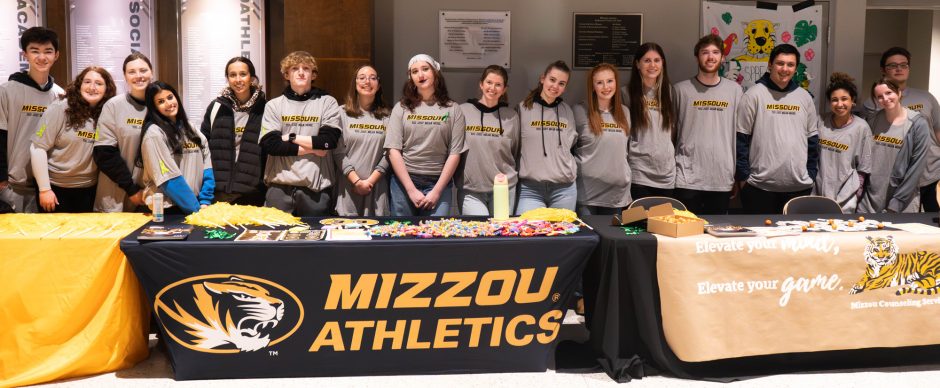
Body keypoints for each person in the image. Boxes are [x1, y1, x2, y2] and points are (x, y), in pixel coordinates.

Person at [734, 44, 820, 214]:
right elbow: (740, 139)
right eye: (780, 63)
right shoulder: (754, 94)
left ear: (796, 68)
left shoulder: (805, 97)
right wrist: (743, 178)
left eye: (790, 64)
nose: (785, 69)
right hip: (758, 187)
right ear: (770, 65)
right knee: (760, 239)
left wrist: (810, 175)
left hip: (799, 186)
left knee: (794, 240)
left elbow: (812, 140)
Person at [259, 51, 342, 216]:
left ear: (313, 75)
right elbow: (271, 145)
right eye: (295, 68)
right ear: (286, 75)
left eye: (306, 68)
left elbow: (328, 141)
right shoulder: (273, 105)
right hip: (279, 188)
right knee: (276, 239)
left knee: (315, 239)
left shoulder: (327, 102)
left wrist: (291, 137)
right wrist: (314, 148)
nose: (301, 72)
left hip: (316, 191)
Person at [384, 54, 465, 216]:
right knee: (403, 236)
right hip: (404, 183)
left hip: (439, 184)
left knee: (435, 237)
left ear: (435, 72)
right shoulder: (401, 108)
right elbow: (393, 150)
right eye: (415, 71)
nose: (420, 75)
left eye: (425, 69)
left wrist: (436, 192)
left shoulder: (453, 109)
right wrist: (411, 190)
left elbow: (455, 153)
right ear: (411, 78)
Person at [861, 47, 940, 212]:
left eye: (903, 65)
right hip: (891, 177)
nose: (899, 69)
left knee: (928, 225)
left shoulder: (926, 97)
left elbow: (938, 132)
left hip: (928, 174)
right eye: (893, 65)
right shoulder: (871, 105)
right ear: (883, 70)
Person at [673, 35, 743, 214]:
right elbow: (671, 132)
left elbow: (740, 134)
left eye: (715, 52)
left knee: (715, 237)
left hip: (721, 176)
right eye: (705, 52)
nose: (710, 57)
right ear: (697, 57)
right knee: (687, 234)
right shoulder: (680, 90)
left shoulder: (735, 90)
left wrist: (737, 175)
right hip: (687, 176)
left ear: (723, 58)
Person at [30, 66, 116, 212]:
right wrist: (44, 189)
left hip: (89, 190)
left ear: (107, 89)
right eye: (87, 82)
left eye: (99, 83)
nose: (92, 87)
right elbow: (37, 147)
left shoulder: (108, 114)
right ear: (79, 85)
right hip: (55, 190)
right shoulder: (60, 108)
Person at [0, 27, 64, 213]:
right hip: (13, 186)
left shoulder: (60, 95)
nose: (41, 57)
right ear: (25, 54)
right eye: (35, 51)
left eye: (48, 51)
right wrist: (1, 179)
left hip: (47, 187)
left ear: (56, 55)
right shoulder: (7, 91)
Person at [138, 81, 213, 215]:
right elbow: (168, 179)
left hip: (197, 206)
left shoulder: (190, 128)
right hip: (168, 209)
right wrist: (195, 209)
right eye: (161, 101)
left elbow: (207, 166)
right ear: (154, 107)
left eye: (170, 97)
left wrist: (205, 201)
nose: (168, 103)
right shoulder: (154, 134)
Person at [200, 57, 267, 206]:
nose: (238, 79)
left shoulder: (266, 109)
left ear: (252, 78)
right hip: (218, 193)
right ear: (228, 78)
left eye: (243, 74)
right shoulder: (216, 107)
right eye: (232, 75)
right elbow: (203, 147)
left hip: (252, 195)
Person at [858, 78, 931, 213]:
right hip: (870, 200)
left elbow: (916, 168)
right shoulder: (872, 120)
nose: (885, 99)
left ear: (899, 92)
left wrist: (896, 204)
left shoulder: (918, 124)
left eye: (889, 93)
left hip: (902, 202)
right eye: (879, 96)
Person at [515, 60, 577, 214]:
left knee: (562, 236)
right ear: (543, 79)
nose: (555, 86)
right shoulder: (522, 109)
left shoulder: (567, 111)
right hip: (530, 189)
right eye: (552, 80)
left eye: (561, 83)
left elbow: (571, 146)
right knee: (528, 235)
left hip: (564, 189)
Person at [93, 52, 153, 212]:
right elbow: (104, 154)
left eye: (143, 70)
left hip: (150, 198)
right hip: (117, 196)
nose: (138, 76)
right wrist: (131, 189)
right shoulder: (113, 106)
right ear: (125, 77)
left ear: (151, 72)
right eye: (132, 72)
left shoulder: (161, 105)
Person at [458, 65, 520, 216]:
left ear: (504, 89)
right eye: (489, 82)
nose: (493, 88)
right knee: (480, 236)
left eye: (498, 84)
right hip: (471, 189)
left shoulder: (511, 116)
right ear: (481, 84)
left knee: (501, 236)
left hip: (504, 188)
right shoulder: (462, 111)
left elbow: (515, 151)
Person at [333, 65, 391, 216]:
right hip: (348, 187)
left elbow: (389, 153)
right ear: (355, 83)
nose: (367, 81)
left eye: (373, 78)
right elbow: (338, 152)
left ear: (378, 85)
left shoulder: (388, 117)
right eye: (362, 77)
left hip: (376, 188)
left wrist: (369, 182)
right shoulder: (341, 113)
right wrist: (357, 182)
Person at [574, 63, 631, 216]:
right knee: (588, 239)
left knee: (611, 240)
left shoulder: (625, 112)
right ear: (593, 86)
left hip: (616, 195)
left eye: (610, 81)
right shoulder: (580, 111)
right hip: (587, 195)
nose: (606, 87)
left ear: (616, 83)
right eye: (600, 82)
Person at [623, 42, 677, 200]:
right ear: (637, 64)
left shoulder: (670, 92)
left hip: (666, 173)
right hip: (639, 172)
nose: (652, 65)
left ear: (663, 63)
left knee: (663, 224)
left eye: (657, 60)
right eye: (647, 60)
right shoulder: (625, 94)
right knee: (639, 224)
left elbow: (674, 131)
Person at [813, 73, 872, 213]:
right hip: (818, 191)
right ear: (829, 102)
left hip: (846, 196)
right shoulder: (820, 121)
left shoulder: (862, 128)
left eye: (844, 99)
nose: (839, 104)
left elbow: (864, 166)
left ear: (853, 101)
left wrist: (856, 194)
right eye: (834, 100)